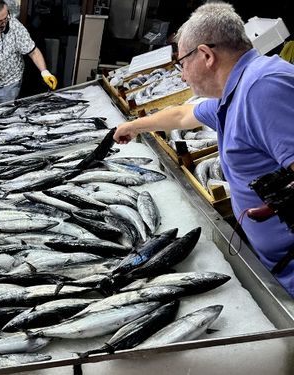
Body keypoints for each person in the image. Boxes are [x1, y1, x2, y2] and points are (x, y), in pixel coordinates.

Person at [113, 3, 294, 296]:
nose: (182, 75)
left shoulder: (263, 87)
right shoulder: (235, 93)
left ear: (206, 55)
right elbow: (183, 116)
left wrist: (275, 204)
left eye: (182, 63)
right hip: (278, 265)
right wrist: (134, 127)